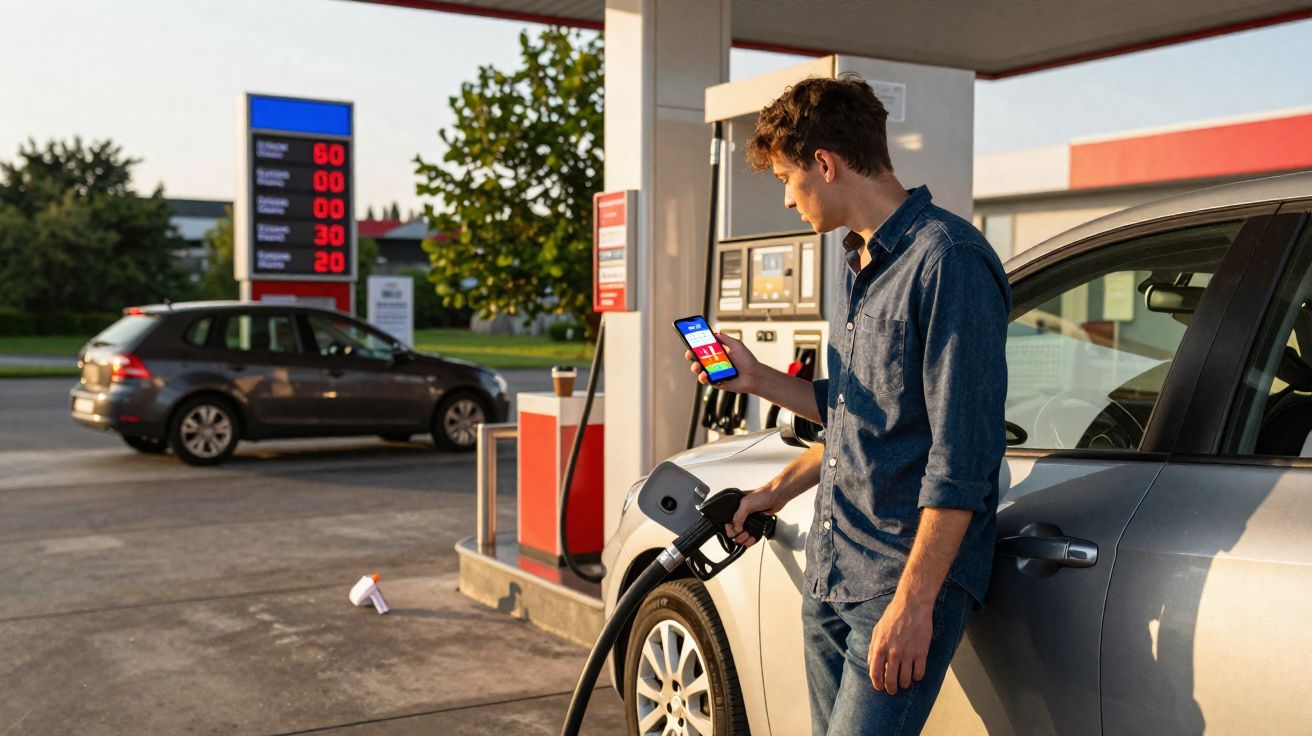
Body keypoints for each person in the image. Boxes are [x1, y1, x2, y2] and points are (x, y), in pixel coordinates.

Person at [684, 75, 1010, 735]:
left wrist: (916, 605)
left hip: (896, 583)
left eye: (786, 177)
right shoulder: (858, 264)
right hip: (833, 574)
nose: (785, 197)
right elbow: (861, 415)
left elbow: (964, 457)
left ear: (825, 164)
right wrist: (759, 396)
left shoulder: (949, 261)